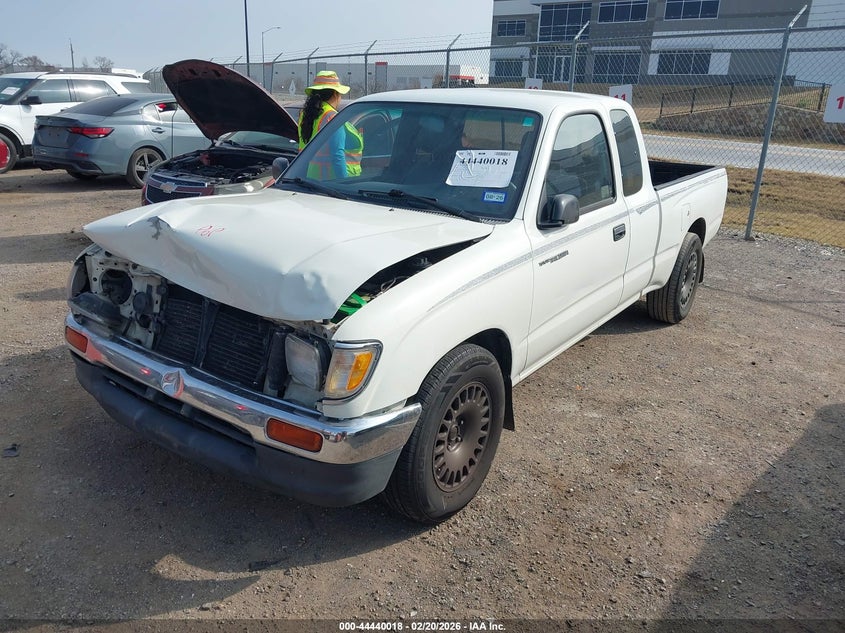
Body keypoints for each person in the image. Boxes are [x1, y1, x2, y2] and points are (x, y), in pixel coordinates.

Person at [298, 70, 363, 179]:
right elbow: (337, 156)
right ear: (335, 94)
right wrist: (344, 184)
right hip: (331, 182)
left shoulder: (305, 114)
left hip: (309, 177)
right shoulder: (331, 117)